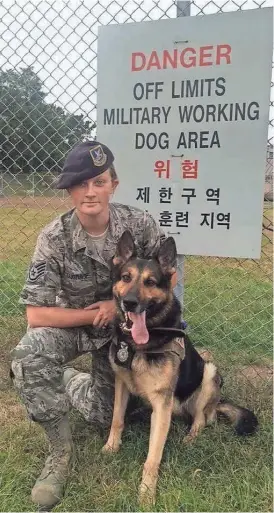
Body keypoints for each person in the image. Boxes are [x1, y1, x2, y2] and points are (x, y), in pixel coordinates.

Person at [10, 140, 177, 510]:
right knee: (28, 355)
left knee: (111, 416)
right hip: (75, 326)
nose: (90, 191)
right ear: (69, 189)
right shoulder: (53, 238)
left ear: (113, 185)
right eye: (81, 183)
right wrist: (98, 311)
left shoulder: (139, 224)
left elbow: (165, 281)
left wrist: (131, 314)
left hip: (124, 334)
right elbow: (36, 315)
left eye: (99, 181)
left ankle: (74, 382)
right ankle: (59, 454)